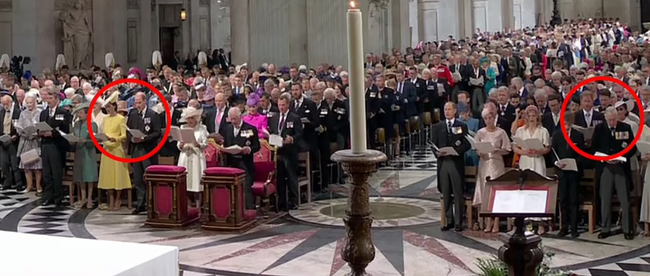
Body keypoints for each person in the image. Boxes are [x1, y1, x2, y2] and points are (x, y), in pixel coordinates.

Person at [593, 107, 636, 240]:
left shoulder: (626, 128)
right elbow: (594, 148)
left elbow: (632, 147)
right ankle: (605, 228)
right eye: (610, 120)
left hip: (621, 167)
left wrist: (622, 157)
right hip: (605, 167)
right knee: (605, 198)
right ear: (605, 119)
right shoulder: (599, 129)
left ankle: (627, 229)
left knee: (624, 199)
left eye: (614, 120)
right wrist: (603, 158)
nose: (612, 123)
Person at [432, 102, 471, 232]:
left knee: (458, 192)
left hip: (455, 162)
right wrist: (437, 152)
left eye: (449, 109)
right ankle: (449, 220)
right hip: (443, 162)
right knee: (446, 192)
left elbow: (467, 144)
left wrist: (457, 151)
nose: (447, 111)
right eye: (445, 109)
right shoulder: (438, 126)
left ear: (455, 111)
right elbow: (433, 144)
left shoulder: (461, 126)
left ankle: (459, 221)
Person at [513, 105, 551, 234]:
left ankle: (540, 223)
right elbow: (515, 148)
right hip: (525, 161)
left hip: (538, 160)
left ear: (537, 116)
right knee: (526, 191)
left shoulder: (543, 131)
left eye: (533, 116)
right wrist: (524, 151)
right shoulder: (520, 131)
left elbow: (547, 148)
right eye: (529, 116)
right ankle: (527, 222)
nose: (531, 118)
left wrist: (538, 150)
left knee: (539, 191)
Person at [474, 108, 511, 233]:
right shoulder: (480, 133)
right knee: (486, 193)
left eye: (490, 118)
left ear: (494, 118)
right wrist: (480, 152)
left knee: (496, 193)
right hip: (484, 164)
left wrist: (498, 150)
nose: (488, 121)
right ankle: (487, 221)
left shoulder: (501, 132)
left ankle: (496, 222)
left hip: (496, 164)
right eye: (486, 118)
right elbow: (477, 148)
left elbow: (507, 149)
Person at [127, 92, 162, 214]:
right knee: (138, 179)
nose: (137, 105)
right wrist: (131, 138)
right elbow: (128, 130)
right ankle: (140, 203)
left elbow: (157, 132)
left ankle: (152, 204)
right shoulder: (132, 114)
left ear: (145, 101)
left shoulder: (153, 115)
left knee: (149, 177)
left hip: (148, 150)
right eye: (136, 103)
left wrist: (144, 138)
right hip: (136, 150)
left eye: (139, 102)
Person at [551, 111, 585, 238]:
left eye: (569, 124)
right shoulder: (557, 135)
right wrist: (556, 162)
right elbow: (552, 153)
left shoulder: (577, 135)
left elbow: (581, 154)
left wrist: (574, 162)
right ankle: (564, 227)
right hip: (561, 173)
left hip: (573, 173)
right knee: (563, 200)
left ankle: (574, 227)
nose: (566, 127)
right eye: (564, 124)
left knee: (573, 200)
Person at [97, 91, 131, 211]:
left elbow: (124, 135)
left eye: (109, 106)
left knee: (118, 176)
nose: (108, 109)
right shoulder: (105, 119)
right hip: (107, 150)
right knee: (108, 176)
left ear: (114, 106)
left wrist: (114, 138)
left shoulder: (121, 119)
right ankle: (110, 200)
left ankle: (118, 199)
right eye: (106, 107)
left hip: (116, 150)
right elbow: (101, 132)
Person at [268, 94, 303, 211]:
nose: (281, 107)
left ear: (288, 105)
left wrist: (292, 139)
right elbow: (272, 131)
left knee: (291, 177)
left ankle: (293, 201)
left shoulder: (295, 118)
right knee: (280, 178)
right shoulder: (273, 118)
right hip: (278, 152)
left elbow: (299, 134)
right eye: (279, 105)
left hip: (289, 152)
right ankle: (281, 202)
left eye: (283, 105)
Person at [38, 88, 72, 207]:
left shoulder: (63, 112)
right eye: (47, 98)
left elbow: (65, 130)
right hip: (45, 144)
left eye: (51, 98)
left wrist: (53, 134)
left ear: (57, 100)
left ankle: (58, 197)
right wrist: (40, 132)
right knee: (46, 173)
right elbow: (40, 126)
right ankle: (48, 197)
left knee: (56, 172)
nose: (49, 101)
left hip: (57, 145)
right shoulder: (43, 113)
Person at [222, 107, 260, 209]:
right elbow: (225, 144)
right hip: (231, 162)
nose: (233, 121)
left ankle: (248, 210)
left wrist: (249, 149)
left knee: (246, 187)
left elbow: (257, 146)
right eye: (231, 119)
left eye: (235, 119)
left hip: (245, 162)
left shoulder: (250, 129)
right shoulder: (228, 128)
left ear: (240, 117)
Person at [177, 107, 208, 207]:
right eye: (188, 118)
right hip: (185, 156)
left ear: (196, 118)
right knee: (185, 183)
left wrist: (197, 144)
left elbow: (205, 144)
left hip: (196, 158)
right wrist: (180, 145)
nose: (190, 120)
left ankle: (198, 208)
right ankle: (188, 207)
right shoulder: (183, 128)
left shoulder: (202, 128)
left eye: (192, 118)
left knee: (197, 183)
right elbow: (178, 144)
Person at [71, 103, 98, 209]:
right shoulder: (77, 124)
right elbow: (74, 135)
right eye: (78, 113)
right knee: (81, 175)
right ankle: (83, 198)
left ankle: (90, 198)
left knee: (89, 176)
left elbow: (95, 140)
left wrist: (86, 141)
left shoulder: (92, 124)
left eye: (81, 113)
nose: (79, 115)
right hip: (79, 151)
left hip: (88, 151)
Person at [16, 94, 42, 194]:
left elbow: (41, 126)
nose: (29, 104)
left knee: (37, 166)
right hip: (26, 141)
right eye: (27, 103)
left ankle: (38, 185)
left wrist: (35, 134)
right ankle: (29, 185)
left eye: (31, 102)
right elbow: (19, 126)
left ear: (35, 102)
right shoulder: (23, 113)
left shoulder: (40, 113)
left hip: (36, 141)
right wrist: (22, 132)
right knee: (27, 165)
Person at [0, 95, 23, 191]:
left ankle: (18, 183)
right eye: (3, 104)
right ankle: (7, 182)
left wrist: (16, 136)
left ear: (10, 102)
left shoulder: (18, 112)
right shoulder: (1, 112)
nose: (5, 106)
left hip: (13, 140)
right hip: (3, 140)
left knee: (14, 163)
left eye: (6, 104)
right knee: (4, 163)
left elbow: (20, 126)